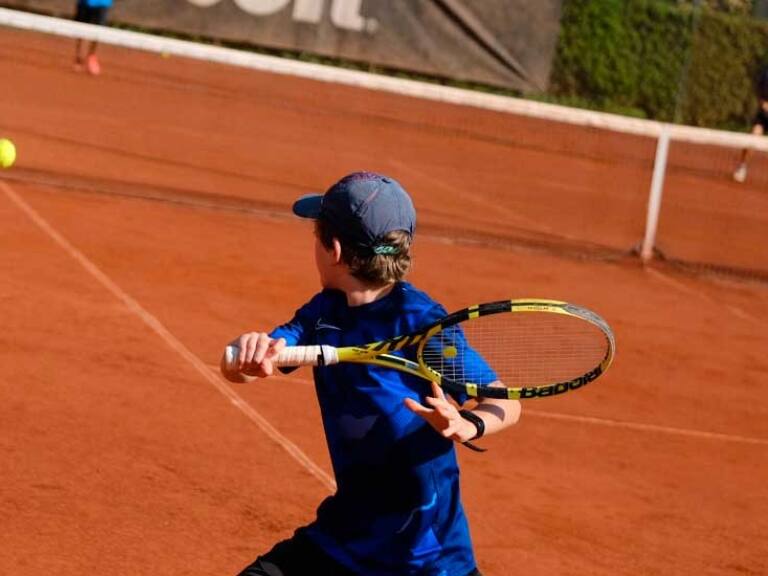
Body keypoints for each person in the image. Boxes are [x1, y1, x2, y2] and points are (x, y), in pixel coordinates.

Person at [221, 171, 521, 576]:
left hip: (427, 559)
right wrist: (247, 352)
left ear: (334, 250)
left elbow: (505, 401)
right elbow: (251, 365)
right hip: (345, 538)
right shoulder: (322, 313)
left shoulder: (419, 321)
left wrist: (468, 423)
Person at [733, 64, 768, 183]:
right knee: (753, 138)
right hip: (763, 116)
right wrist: (764, 105)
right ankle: (742, 167)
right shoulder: (766, 74)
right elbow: (761, 95)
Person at [73, 0, 113, 76]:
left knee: (98, 31)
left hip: (102, 3)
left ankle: (91, 56)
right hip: (84, 2)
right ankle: (79, 57)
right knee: (80, 29)